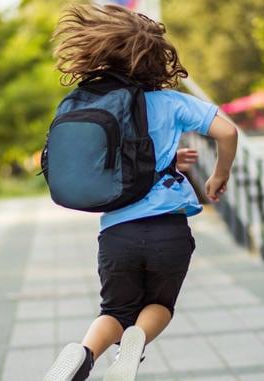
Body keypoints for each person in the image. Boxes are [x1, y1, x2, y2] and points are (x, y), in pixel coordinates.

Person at [43, 4, 238, 381]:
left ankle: (83, 353)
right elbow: (227, 131)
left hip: (117, 233)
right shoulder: (171, 102)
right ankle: (136, 343)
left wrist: (165, 159)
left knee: (113, 311)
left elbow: (118, 159)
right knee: (160, 305)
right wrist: (218, 176)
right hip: (168, 232)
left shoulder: (97, 104)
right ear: (154, 60)